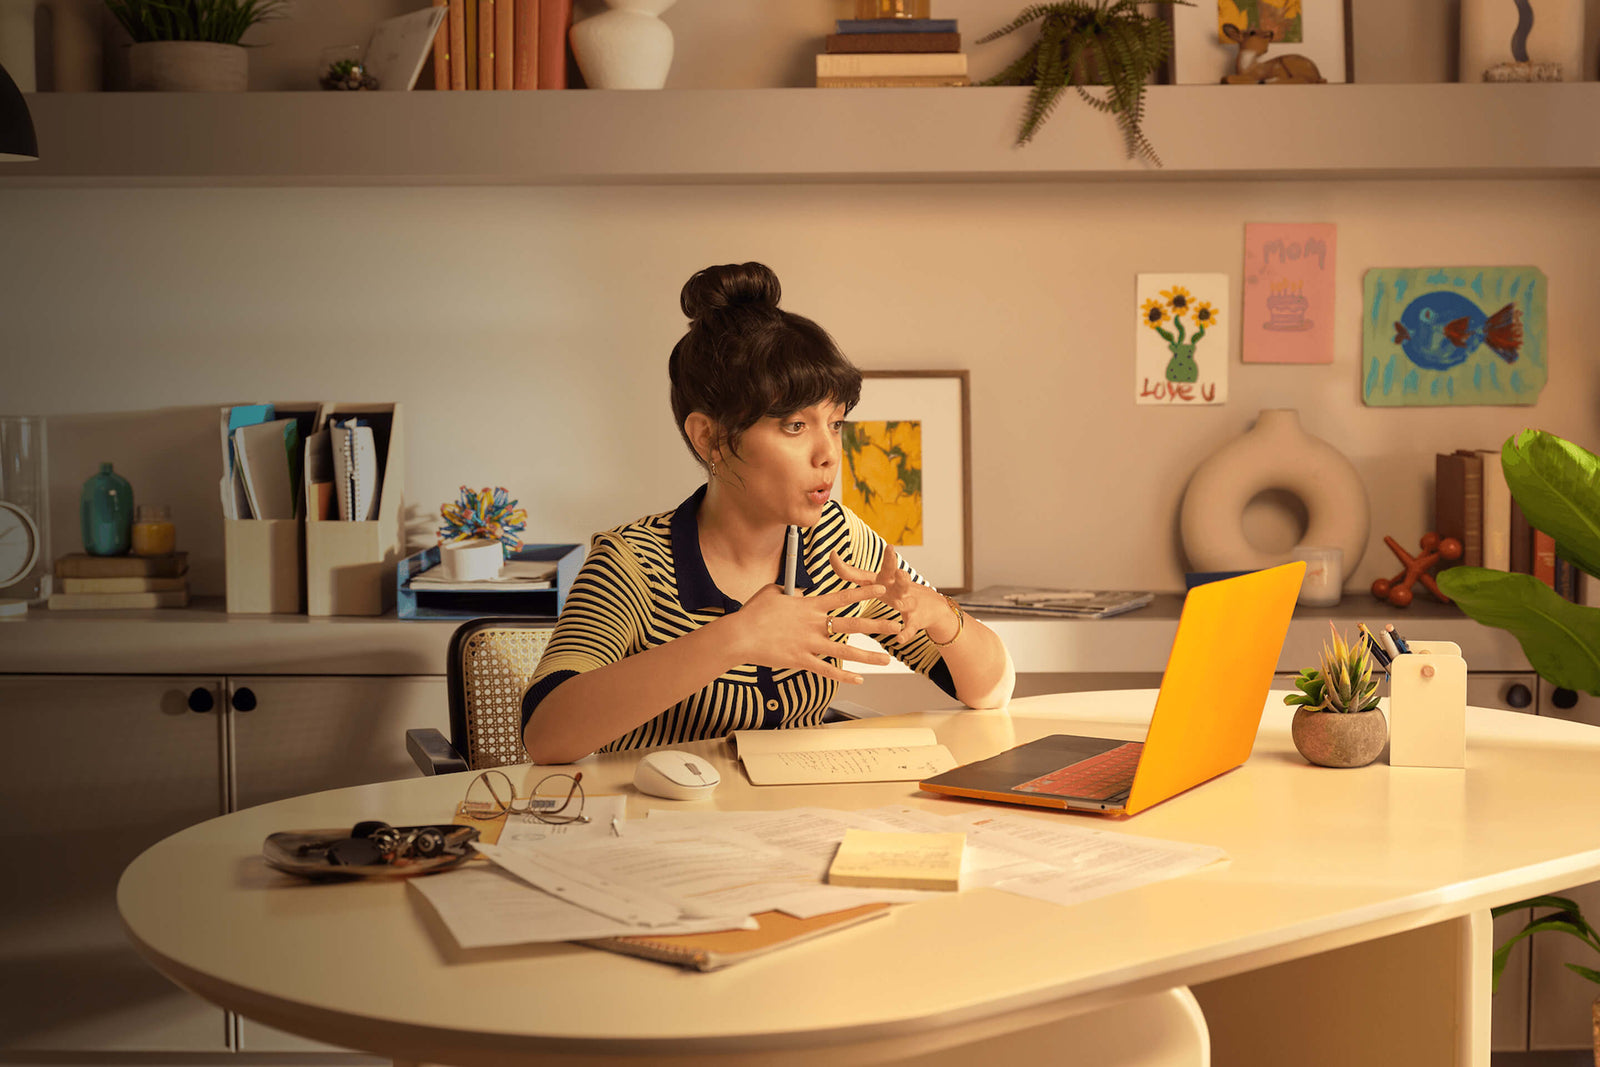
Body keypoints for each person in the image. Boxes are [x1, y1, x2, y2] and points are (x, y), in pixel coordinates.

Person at [521, 262, 1014, 764]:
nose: (828, 454)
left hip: (796, 831)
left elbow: (991, 690)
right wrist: (735, 639)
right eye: (796, 426)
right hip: (661, 832)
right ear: (708, 436)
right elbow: (546, 735)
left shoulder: (838, 541)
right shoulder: (634, 562)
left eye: (836, 424)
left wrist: (935, 611)